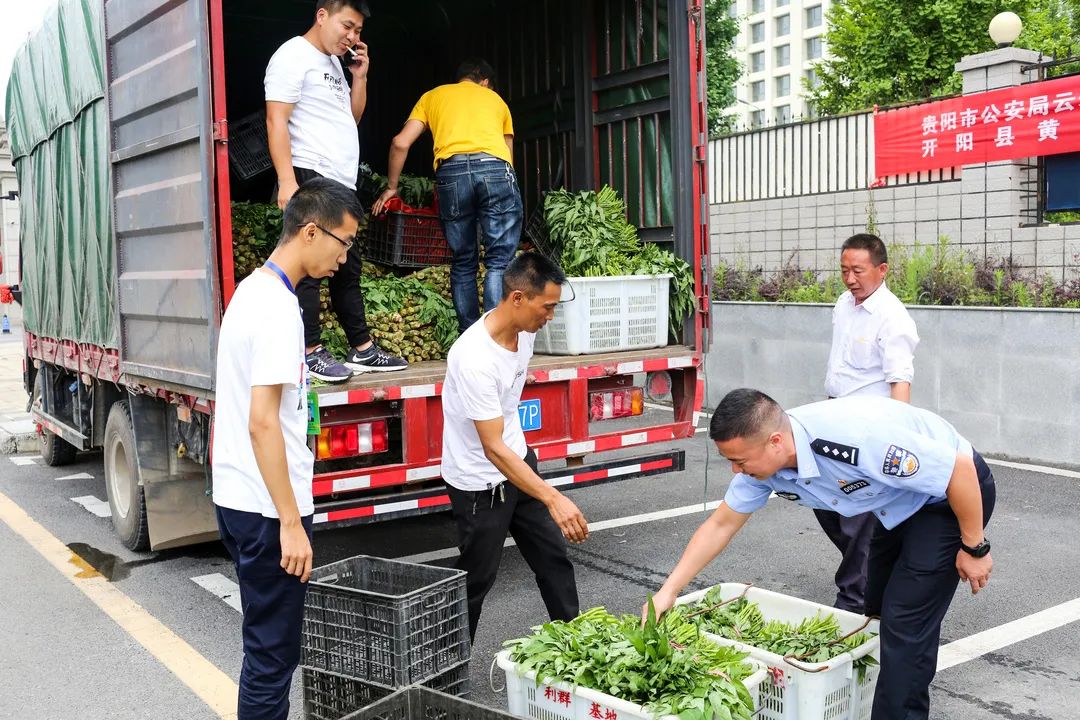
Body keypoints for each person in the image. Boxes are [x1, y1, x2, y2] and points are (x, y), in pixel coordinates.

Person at [648, 389, 995, 720]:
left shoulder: (853, 440)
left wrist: (974, 547)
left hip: (951, 499)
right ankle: (871, 701)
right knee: (874, 610)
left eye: (739, 461)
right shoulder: (762, 465)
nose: (735, 471)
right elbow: (721, 524)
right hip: (895, 503)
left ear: (775, 442)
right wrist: (668, 592)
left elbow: (958, 470)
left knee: (905, 623)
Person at [211, 178, 362, 720]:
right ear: (310, 231)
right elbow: (262, 425)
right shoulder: (276, 308)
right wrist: (291, 521)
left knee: (266, 653)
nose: (344, 258)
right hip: (266, 509)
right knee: (273, 659)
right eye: (343, 243)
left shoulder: (250, 292)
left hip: (239, 498)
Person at [440, 252, 586, 641]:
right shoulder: (473, 358)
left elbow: (506, 434)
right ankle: (447, 675)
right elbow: (492, 448)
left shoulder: (525, 332)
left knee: (553, 557)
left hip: (517, 461)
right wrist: (553, 498)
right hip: (479, 481)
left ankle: (578, 644)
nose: (550, 316)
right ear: (517, 298)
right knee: (476, 581)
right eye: (548, 307)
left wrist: (540, 489)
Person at [265, 0, 406, 382]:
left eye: (358, 31)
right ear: (322, 16)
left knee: (347, 266)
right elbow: (276, 119)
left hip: (340, 182)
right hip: (310, 173)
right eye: (347, 26)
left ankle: (361, 349)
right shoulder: (293, 55)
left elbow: (351, 117)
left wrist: (359, 77)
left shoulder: (333, 65)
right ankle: (309, 351)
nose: (352, 37)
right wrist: (287, 180)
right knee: (309, 268)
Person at [372, 58, 521, 333]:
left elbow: (400, 142)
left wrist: (392, 187)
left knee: (463, 260)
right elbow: (507, 152)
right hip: (495, 168)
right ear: (484, 82)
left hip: (451, 172)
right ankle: (495, 334)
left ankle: (470, 336)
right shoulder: (495, 100)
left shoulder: (432, 96)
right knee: (499, 260)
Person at [817, 232, 920, 613]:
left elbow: (900, 380)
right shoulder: (844, 304)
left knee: (857, 518)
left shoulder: (893, 317)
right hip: (835, 421)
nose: (849, 278)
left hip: (870, 431)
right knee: (826, 503)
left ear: (881, 270)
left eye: (857, 270)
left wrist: (897, 438)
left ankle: (855, 602)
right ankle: (879, 569)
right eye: (844, 270)